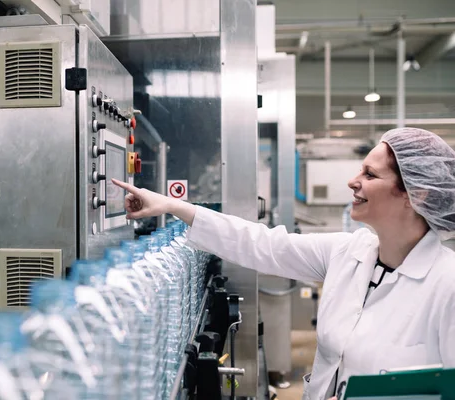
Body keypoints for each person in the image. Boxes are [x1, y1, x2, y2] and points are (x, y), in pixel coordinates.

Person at [113, 127, 455, 400]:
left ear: (416, 195)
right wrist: (174, 207)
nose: (353, 181)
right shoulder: (349, 252)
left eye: (370, 174)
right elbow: (263, 245)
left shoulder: (446, 283)